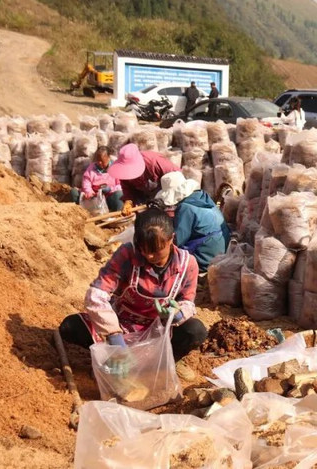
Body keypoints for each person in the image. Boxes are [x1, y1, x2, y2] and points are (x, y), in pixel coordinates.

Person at [58, 208, 206, 380]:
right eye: (144, 249)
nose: (149, 255)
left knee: (195, 330)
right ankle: (112, 359)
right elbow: (97, 294)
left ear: (171, 239)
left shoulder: (188, 265)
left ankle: (164, 362)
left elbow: (188, 301)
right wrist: (114, 337)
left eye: (156, 250)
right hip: (122, 325)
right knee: (70, 326)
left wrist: (178, 313)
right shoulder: (127, 255)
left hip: (157, 331)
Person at [154, 171, 230, 273]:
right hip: (222, 250)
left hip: (206, 259)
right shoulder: (202, 196)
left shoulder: (185, 208)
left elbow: (176, 240)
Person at [108, 143, 180, 214]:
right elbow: (127, 188)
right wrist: (128, 201)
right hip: (144, 196)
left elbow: (178, 178)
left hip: (166, 195)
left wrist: (166, 200)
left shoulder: (155, 162)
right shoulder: (124, 173)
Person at [70, 146, 123, 212]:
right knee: (74, 192)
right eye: (98, 160)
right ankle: (79, 213)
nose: (99, 163)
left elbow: (120, 185)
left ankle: (117, 214)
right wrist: (89, 192)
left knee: (119, 194)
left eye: (102, 160)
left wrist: (110, 189)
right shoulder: (91, 168)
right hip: (93, 197)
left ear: (108, 158)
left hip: (108, 197)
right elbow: (86, 181)